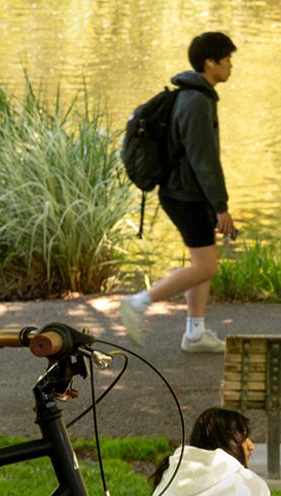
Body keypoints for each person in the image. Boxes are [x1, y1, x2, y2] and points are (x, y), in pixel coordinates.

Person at [114, 31, 238, 354]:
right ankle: (138, 303)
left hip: (183, 191)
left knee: (202, 260)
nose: (231, 66)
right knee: (207, 266)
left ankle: (195, 334)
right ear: (210, 63)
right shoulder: (196, 102)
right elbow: (204, 160)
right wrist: (221, 206)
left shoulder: (195, 95)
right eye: (227, 60)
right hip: (186, 195)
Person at [144, 407, 281, 496]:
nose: (251, 445)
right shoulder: (250, 484)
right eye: (244, 437)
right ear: (229, 442)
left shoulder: (167, 479)